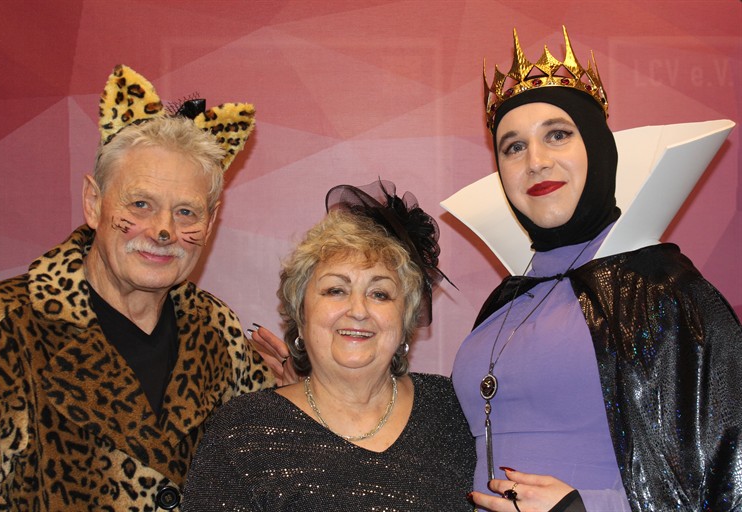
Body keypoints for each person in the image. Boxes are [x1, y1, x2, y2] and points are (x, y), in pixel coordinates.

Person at [452, 27, 742, 512]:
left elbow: (727, 477)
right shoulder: (507, 300)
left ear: (598, 147)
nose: (535, 162)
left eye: (557, 135)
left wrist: (585, 508)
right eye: (513, 147)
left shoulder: (661, 288)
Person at [0, 64, 273, 510]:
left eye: (186, 212)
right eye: (141, 204)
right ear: (94, 203)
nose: (163, 230)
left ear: (211, 221)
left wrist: (298, 406)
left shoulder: (218, 331)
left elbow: (262, 480)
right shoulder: (7, 326)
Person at [183, 181, 475, 511]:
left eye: (380, 294)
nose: (358, 310)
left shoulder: (454, 410)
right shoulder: (244, 430)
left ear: (405, 319)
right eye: (336, 290)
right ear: (301, 313)